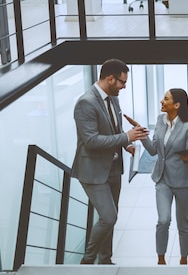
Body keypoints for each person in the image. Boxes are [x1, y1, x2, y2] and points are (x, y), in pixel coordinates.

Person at [72, 59, 150, 265]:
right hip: (94, 171)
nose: (124, 87)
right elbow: (91, 141)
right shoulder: (85, 103)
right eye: (122, 82)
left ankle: (105, 262)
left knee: (110, 219)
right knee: (108, 217)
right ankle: (87, 261)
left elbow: (113, 129)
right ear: (109, 78)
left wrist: (127, 146)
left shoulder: (112, 97)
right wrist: (126, 137)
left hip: (113, 168)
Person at [140, 88, 188, 265]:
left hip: (182, 181)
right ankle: (161, 259)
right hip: (162, 179)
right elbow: (152, 150)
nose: (161, 101)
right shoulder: (160, 120)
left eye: (166, 99)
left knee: (183, 223)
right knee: (163, 220)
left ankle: (183, 259)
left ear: (177, 104)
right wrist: (142, 135)